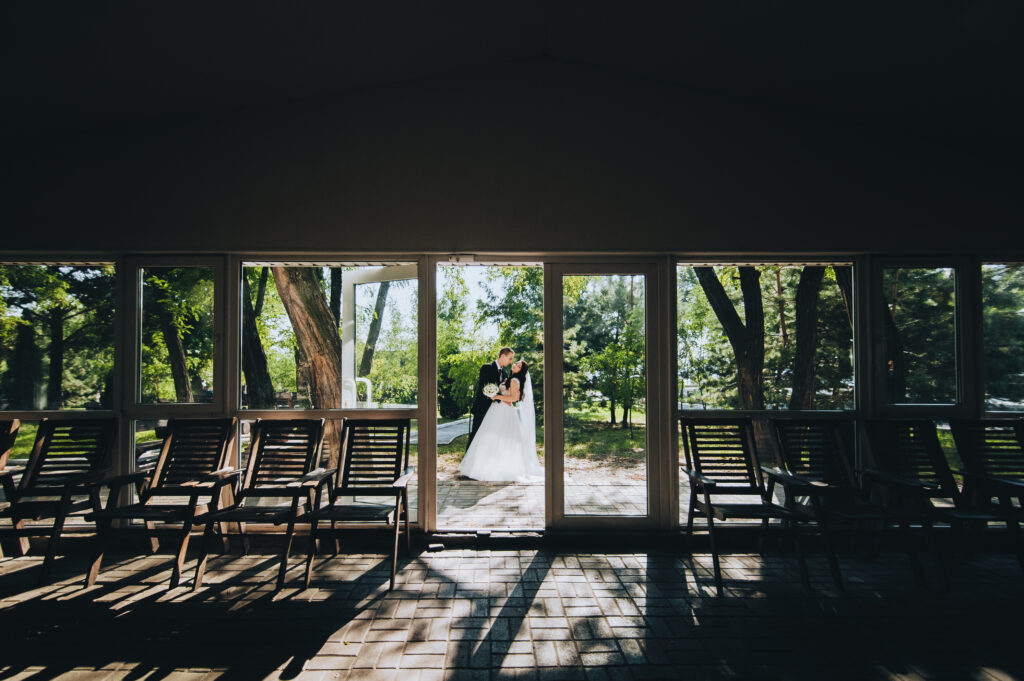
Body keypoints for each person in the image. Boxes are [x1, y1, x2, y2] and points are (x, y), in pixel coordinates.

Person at [459, 360, 542, 482]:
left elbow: (514, 398)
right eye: (516, 363)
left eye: (518, 366)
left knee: (497, 438)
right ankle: (486, 467)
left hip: (504, 411)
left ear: (521, 371)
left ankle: (495, 469)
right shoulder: (509, 378)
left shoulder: (514, 381)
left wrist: (496, 396)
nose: (515, 365)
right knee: (489, 438)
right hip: (496, 410)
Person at [468, 347, 515, 446]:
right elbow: (483, 388)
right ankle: (468, 460)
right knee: (476, 434)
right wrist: (496, 397)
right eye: (510, 358)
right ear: (503, 356)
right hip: (482, 408)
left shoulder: (505, 373)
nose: (511, 362)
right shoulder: (486, 367)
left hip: (495, 411)